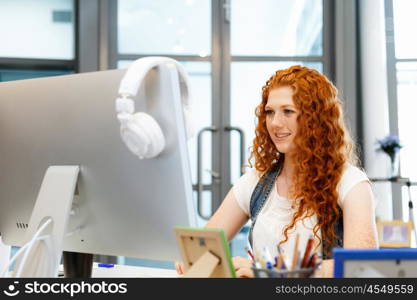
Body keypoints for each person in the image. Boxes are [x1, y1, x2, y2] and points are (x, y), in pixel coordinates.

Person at [176, 65, 378, 277]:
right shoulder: (256, 181)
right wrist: (193, 257)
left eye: (288, 111)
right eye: (270, 112)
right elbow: (203, 245)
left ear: (317, 119)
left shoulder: (351, 183)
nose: (275, 123)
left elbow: (361, 266)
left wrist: (269, 270)